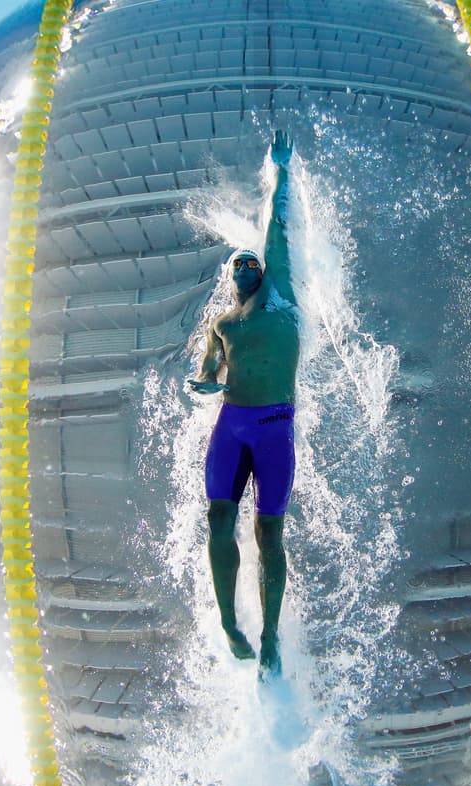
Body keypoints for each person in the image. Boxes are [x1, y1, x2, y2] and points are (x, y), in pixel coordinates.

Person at [189, 131, 300, 679]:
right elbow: (207, 370)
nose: (246, 268)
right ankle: (230, 622)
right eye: (237, 266)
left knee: (270, 531)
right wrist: (206, 383)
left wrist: (281, 172)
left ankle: (272, 632)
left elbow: (277, 228)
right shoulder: (222, 322)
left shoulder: (280, 293)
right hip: (231, 425)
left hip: (275, 424)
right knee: (217, 516)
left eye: (251, 262)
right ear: (229, 277)